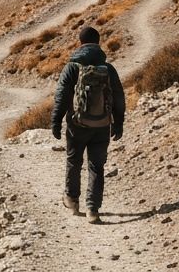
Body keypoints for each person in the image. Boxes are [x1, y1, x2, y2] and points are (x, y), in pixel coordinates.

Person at [51, 25, 126, 224]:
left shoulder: (72, 67)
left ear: (80, 43)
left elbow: (61, 96)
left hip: (77, 125)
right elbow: (118, 97)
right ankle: (93, 209)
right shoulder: (108, 68)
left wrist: (56, 121)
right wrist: (118, 123)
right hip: (102, 125)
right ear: (99, 43)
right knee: (96, 166)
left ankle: (72, 200)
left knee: (74, 161)